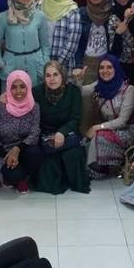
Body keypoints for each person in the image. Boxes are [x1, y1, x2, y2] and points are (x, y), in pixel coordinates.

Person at [33, 61, 90, 194]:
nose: (52, 79)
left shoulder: (73, 91)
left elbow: (76, 119)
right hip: (46, 134)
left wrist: (61, 133)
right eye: (48, 75)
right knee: (49, 159)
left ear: (62, 76)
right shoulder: (36, 92)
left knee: (74, 154)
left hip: (68, 133)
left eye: (55, 74)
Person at [0, 70, 43, 193]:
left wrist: (17, 149)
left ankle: (23, 178)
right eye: (14, 87)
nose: (18, 91)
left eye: (22, 86)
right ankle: (15, 177)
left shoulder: (34, 107)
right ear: (8, 88)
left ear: (28, 87)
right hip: (2, 152)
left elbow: (34, 133)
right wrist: (7, 155)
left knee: (35, 154)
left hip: (24, 148)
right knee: (13, 175)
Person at [82, 54, 134, 179]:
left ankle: (95, 170)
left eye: (109, 67)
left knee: (99, 136)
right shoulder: (99, 87)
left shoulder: (129, 90)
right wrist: (79, 79)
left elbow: (122, 121)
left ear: (116, 69)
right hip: (110, 129)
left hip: (128, 131)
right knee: (86, 141)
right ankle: (96, 167)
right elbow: (82, 91)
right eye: (101, 67)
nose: (105, 71)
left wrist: (98, 127)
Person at [0, 0, 50, 86]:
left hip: (35, 66)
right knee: (11, 95)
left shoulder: (40, 16)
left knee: (35, 95)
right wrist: (1, 63)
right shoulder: (3, 17)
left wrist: (44, 63)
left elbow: (45, 45)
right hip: (11, 66)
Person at [73, 0, 119, 86]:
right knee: (86, 93)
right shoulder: (81, 13)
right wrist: (78, 65)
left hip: (106, 63)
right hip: (87, 63)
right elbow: (77, 42)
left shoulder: (112, 12)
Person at [43, 0, 81, 77]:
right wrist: (43, 62)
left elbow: (72, 43)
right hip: (42, 64)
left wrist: (57, 65)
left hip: (64, 66)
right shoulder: (40, 7)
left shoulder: (72, 10)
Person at [111, 0, 134, 86]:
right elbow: (113, 50)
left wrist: (130, 18)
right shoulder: (112, 16)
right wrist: (118, 32)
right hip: (121, 66)